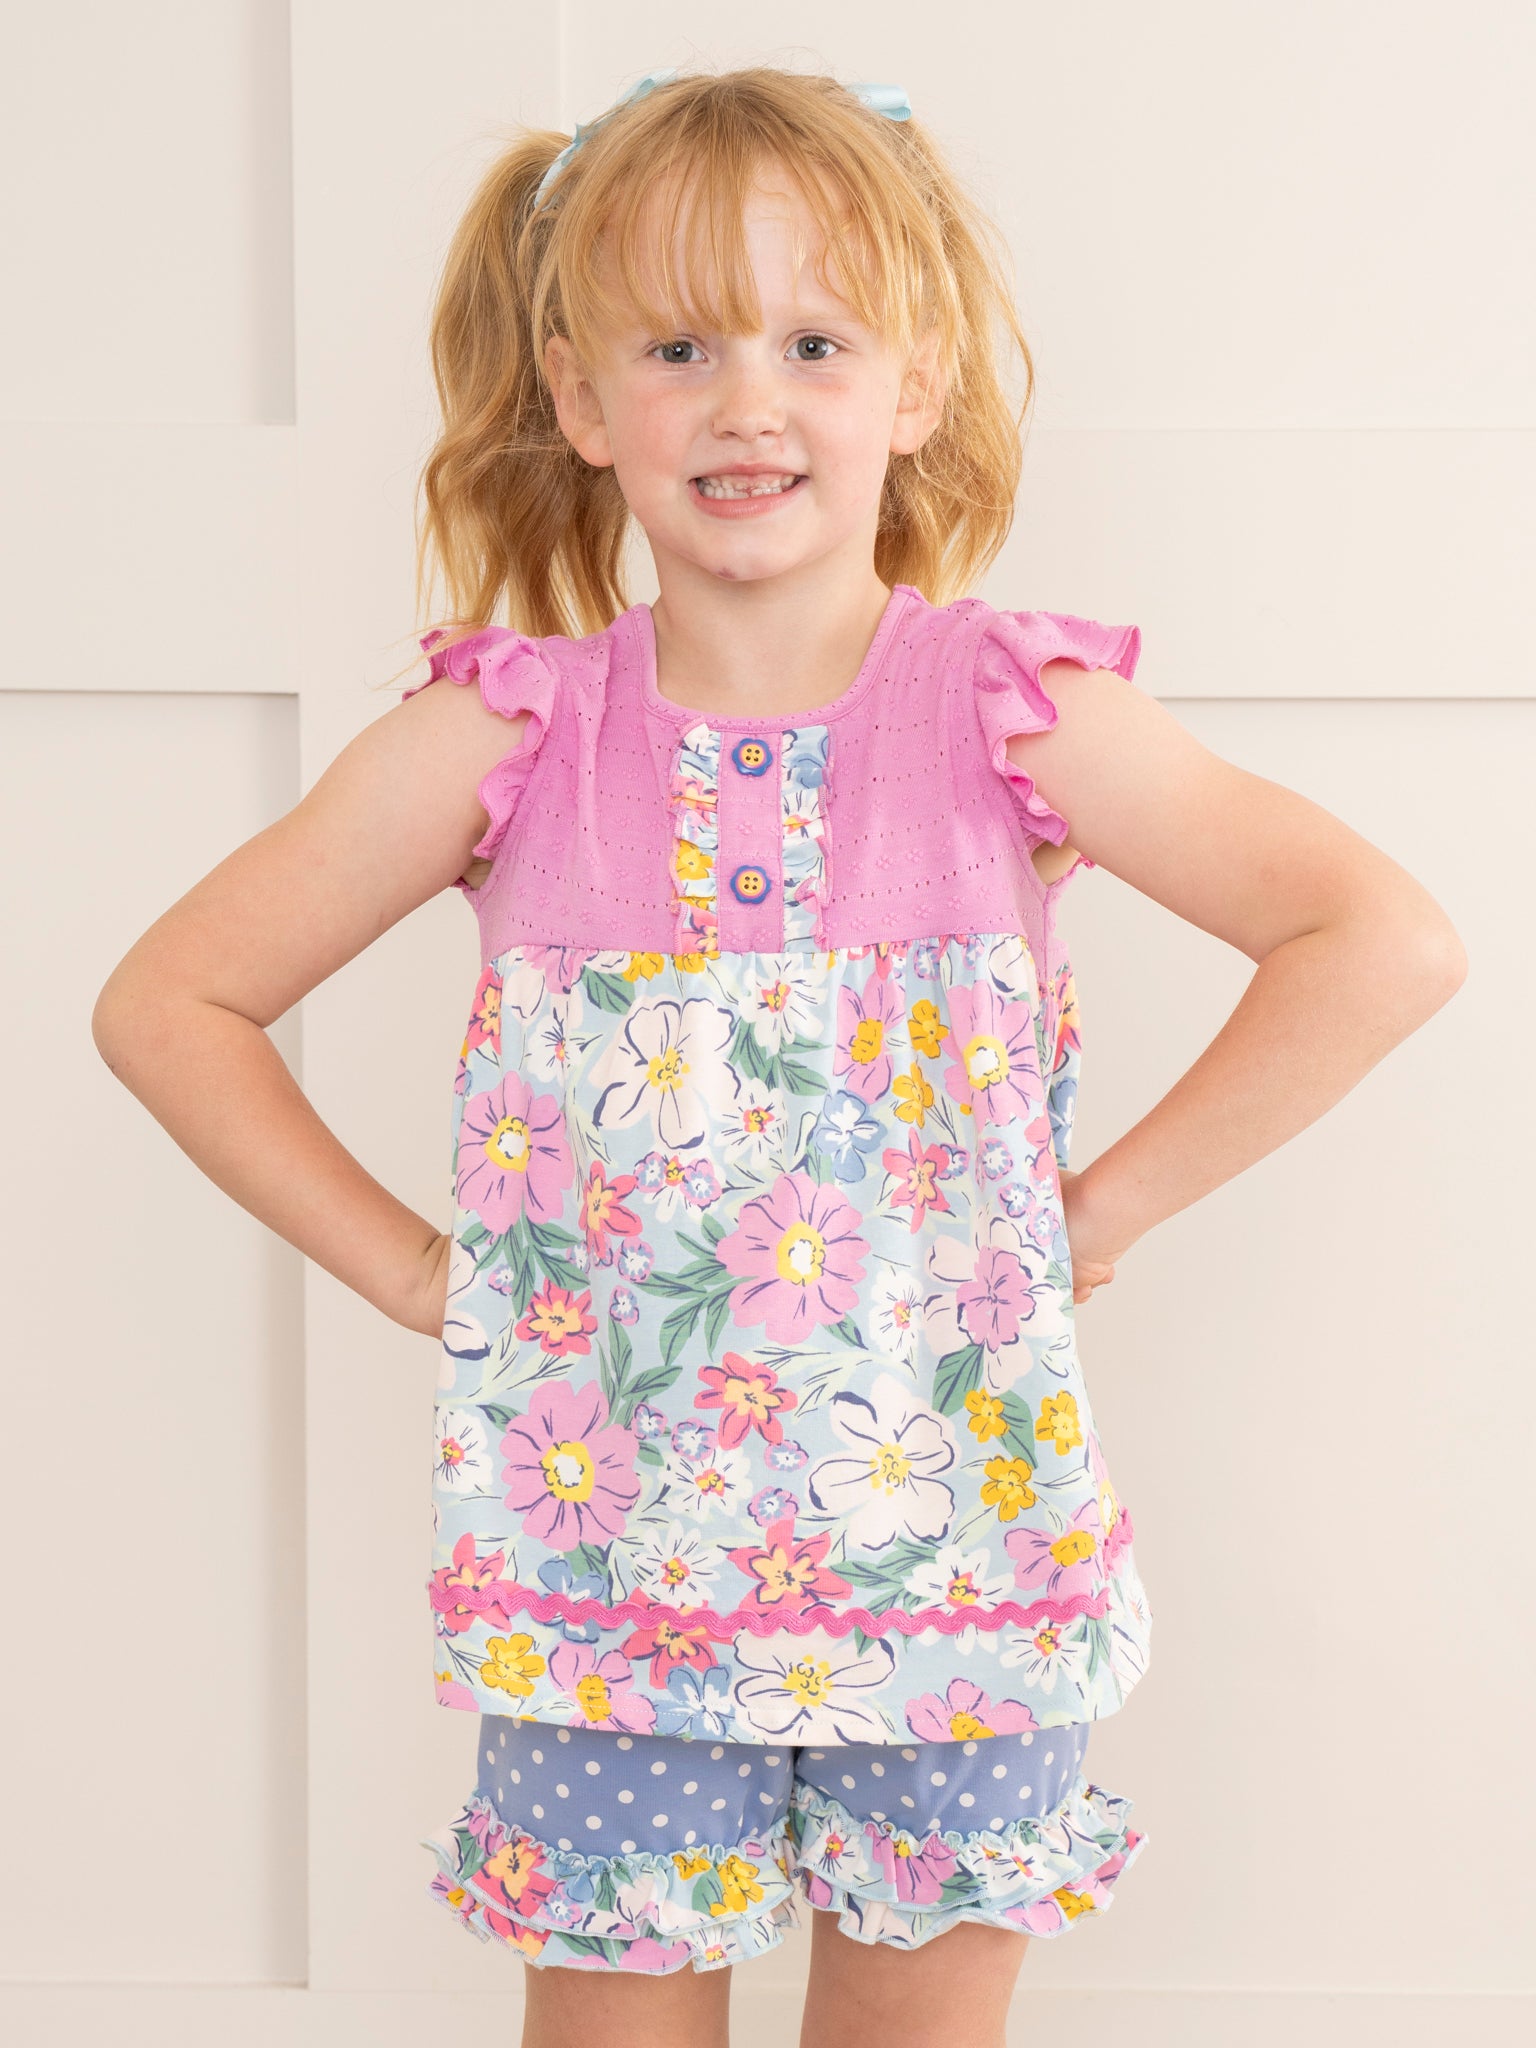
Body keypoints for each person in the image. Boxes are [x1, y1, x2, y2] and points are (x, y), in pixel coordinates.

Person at [91, 62, 1467, 2048]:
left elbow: (1380, 941)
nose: (749, 401)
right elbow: (171, 1002)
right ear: (581, 399)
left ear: (913, 384)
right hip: (607, 1581)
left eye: (814, 343)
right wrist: (415, 1271)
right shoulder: (510, 736)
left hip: (961, 1557)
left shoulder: (1009, 708)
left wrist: (1097, 1214)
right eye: (681, 347)